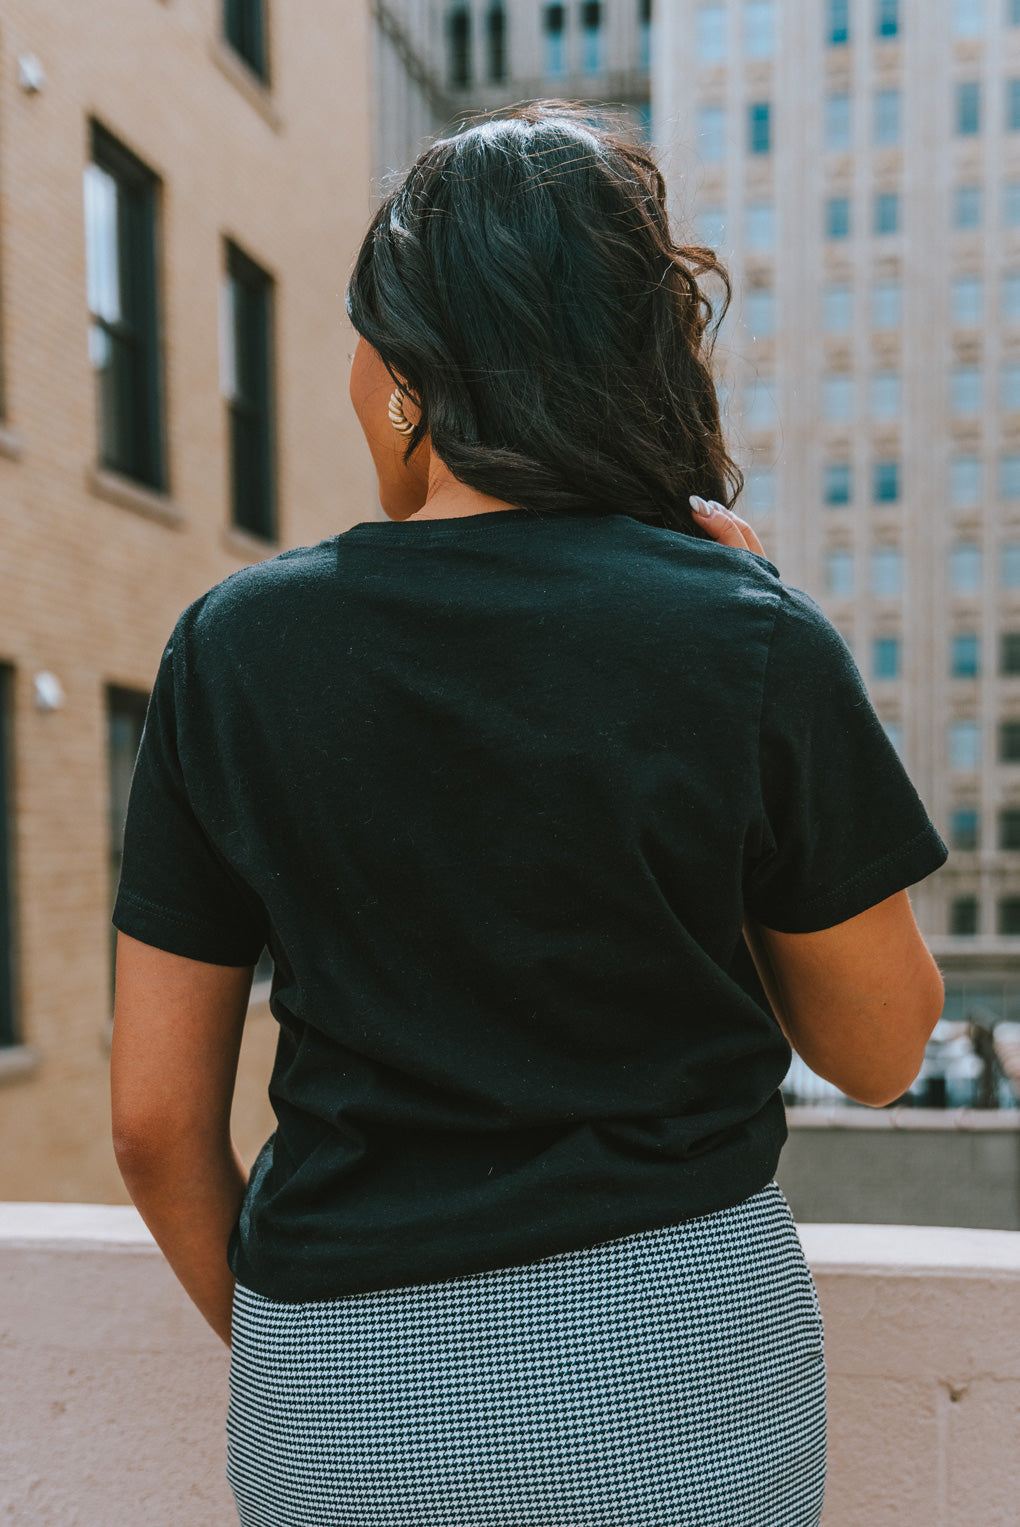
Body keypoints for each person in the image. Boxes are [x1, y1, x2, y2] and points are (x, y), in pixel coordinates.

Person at [110, 103, 948, 1527]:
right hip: (683, 1373)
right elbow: (879, 1050)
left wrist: (305, 1364)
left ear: (405, 378)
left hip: (339, 1385)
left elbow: (148, 1123)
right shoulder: (747, 639)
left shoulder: (233, 647)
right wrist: (729, 640)